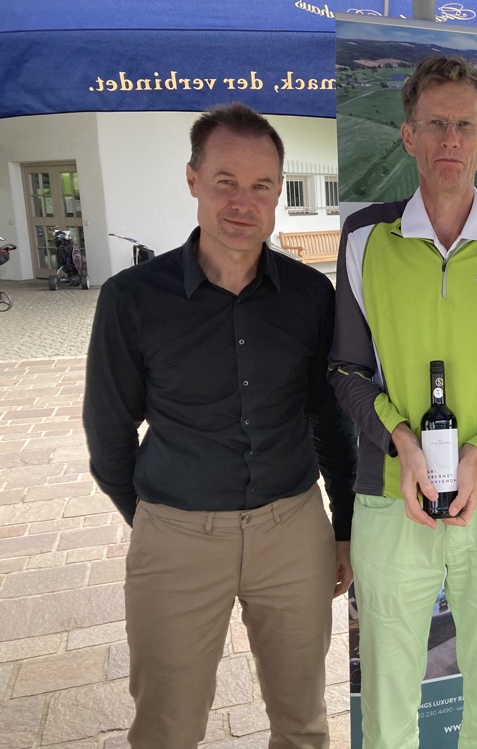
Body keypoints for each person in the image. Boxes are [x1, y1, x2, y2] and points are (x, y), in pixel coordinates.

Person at [83, 103, 358, 749]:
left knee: (303, 724)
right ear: (193, 180)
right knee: (166, 729)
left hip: (293, 534)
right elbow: (108, 436)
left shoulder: (310, 297)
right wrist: (158, 523)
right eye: (225, 181)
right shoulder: (132, 300)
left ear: (278, 193)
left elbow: (331, 423)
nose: (243, 202)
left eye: (261, 185)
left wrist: (344, 528)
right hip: (176, 537)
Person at [329, 55, 477, 749]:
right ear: (408, 135)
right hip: (389, 496)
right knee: (387, 705)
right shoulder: (364, 239)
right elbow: (345, 369)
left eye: (465, 126)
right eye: (435, 124)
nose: (450, 140)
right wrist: (401, 442)